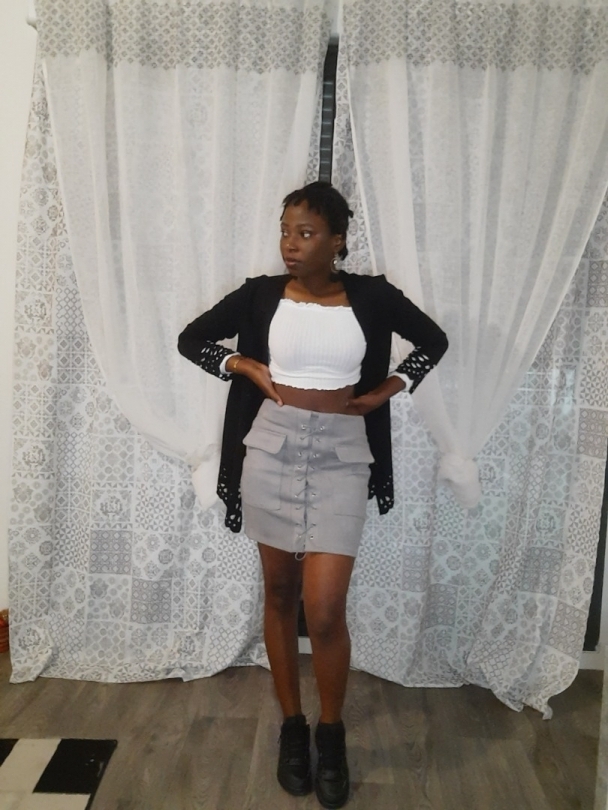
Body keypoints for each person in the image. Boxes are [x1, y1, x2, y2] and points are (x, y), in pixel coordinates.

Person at [178, 181, 448, 809]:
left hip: (342, 455)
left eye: (305, 233)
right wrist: (243, 365)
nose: (290, 244)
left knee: (324, 610)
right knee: (279, 594)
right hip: (271, 449)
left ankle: (331, 731)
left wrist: (387, 389)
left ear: (337, 241)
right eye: (285, 231)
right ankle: (293, 729)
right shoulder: (261, 295)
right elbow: (192, 338)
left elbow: (433, 341)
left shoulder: (373, 297)